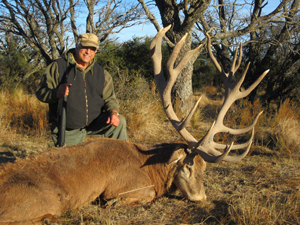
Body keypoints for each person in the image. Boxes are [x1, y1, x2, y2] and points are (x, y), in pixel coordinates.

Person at [36, 33, 127, 146]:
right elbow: (41, 92)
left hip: (95, 121)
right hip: (69, 127)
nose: (88, 51)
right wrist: (56, 94)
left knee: (120, 121)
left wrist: (114, 112)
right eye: (85, 47)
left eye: (92, 49)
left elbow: (110, 98)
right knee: (69, 162)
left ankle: (118, 160)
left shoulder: (101, 72)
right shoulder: (58, 66)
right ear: (77, 45)